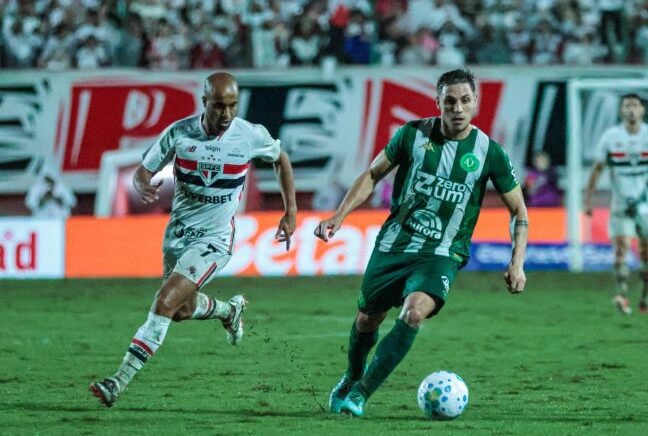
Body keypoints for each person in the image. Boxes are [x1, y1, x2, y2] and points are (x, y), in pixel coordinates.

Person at [314, 68, 528, 417]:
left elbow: (519, 210)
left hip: (441, 254)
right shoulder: (412, 135)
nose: (457, 108)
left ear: (476, 103)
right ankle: (352, 377)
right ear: (438, 103)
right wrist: (339, 217)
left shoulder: (490, 153)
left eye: (465, 100)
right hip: (395, 245)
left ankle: (361, 394)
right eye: (450, 101)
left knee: (413, 314)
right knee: (367, 319)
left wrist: (517, 261)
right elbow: (372, 174)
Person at [89, 72, 297, 407]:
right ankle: (229, 311)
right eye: (219, 106)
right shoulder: (179, 133)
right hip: (178, 237)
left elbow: (281, 160)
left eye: (232, 106)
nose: (226, 114)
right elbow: (144, 169)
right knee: (181, 309)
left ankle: (118, 381)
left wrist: (290, 212)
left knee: (165, 301)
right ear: (205, 103)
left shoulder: (249, 135)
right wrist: (143, 184)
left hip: (215, 240)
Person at [584, 93, 648, 315]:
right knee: (621, 248)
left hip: (647, 204)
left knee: (644, 253)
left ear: (642, 110)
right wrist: (589, 198)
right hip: (621, 203)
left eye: (635, 105)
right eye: (626, 106)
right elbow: (597, 168)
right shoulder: (611, 137)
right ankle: (621, 294)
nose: (631, 109)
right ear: (621, 111)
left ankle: (644, 296)